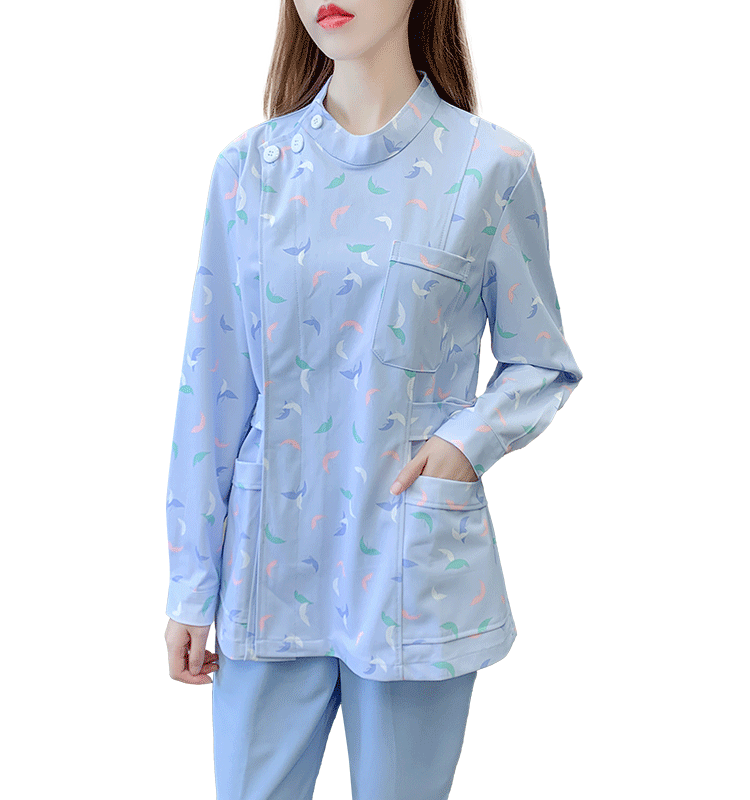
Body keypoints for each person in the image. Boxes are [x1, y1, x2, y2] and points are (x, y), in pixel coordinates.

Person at [164, 1, 583, 798]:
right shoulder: (249, 170)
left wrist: (464, 445)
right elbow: (210, 388)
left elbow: (540, 361)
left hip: (410, 559)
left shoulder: (490, 168)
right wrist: (191, 582)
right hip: (268, 563)